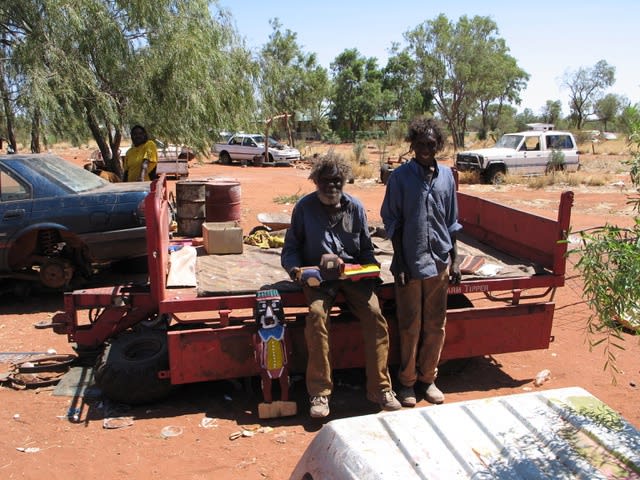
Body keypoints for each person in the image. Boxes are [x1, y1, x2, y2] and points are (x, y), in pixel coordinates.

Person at [281, 150, 401, 418]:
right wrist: (297, 271)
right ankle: (320, 394)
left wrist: (369, 271)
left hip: (353, 276)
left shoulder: (355, 207)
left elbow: (367, 250)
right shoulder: (303, 208)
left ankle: (381, 389)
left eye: (337, 180)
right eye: (325, 181)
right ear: (315, 181)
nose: (331, 186)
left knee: (375, 315)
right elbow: (290, 250)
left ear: (344, 180)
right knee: (316, 317)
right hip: (318, 278)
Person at [380, 116, 462, 407]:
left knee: (436, 324)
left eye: (431, 143)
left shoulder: (447, 177)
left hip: (439, 261)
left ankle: (428, 379)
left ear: (437, 144)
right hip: (411, 262)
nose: (426, 148)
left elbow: (452, 221)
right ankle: (407, 383)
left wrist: (455, 260)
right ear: (412, 144)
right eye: (421, 143)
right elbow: (392, 221)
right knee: (410, 325)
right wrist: (399, 262)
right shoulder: (401, 178)